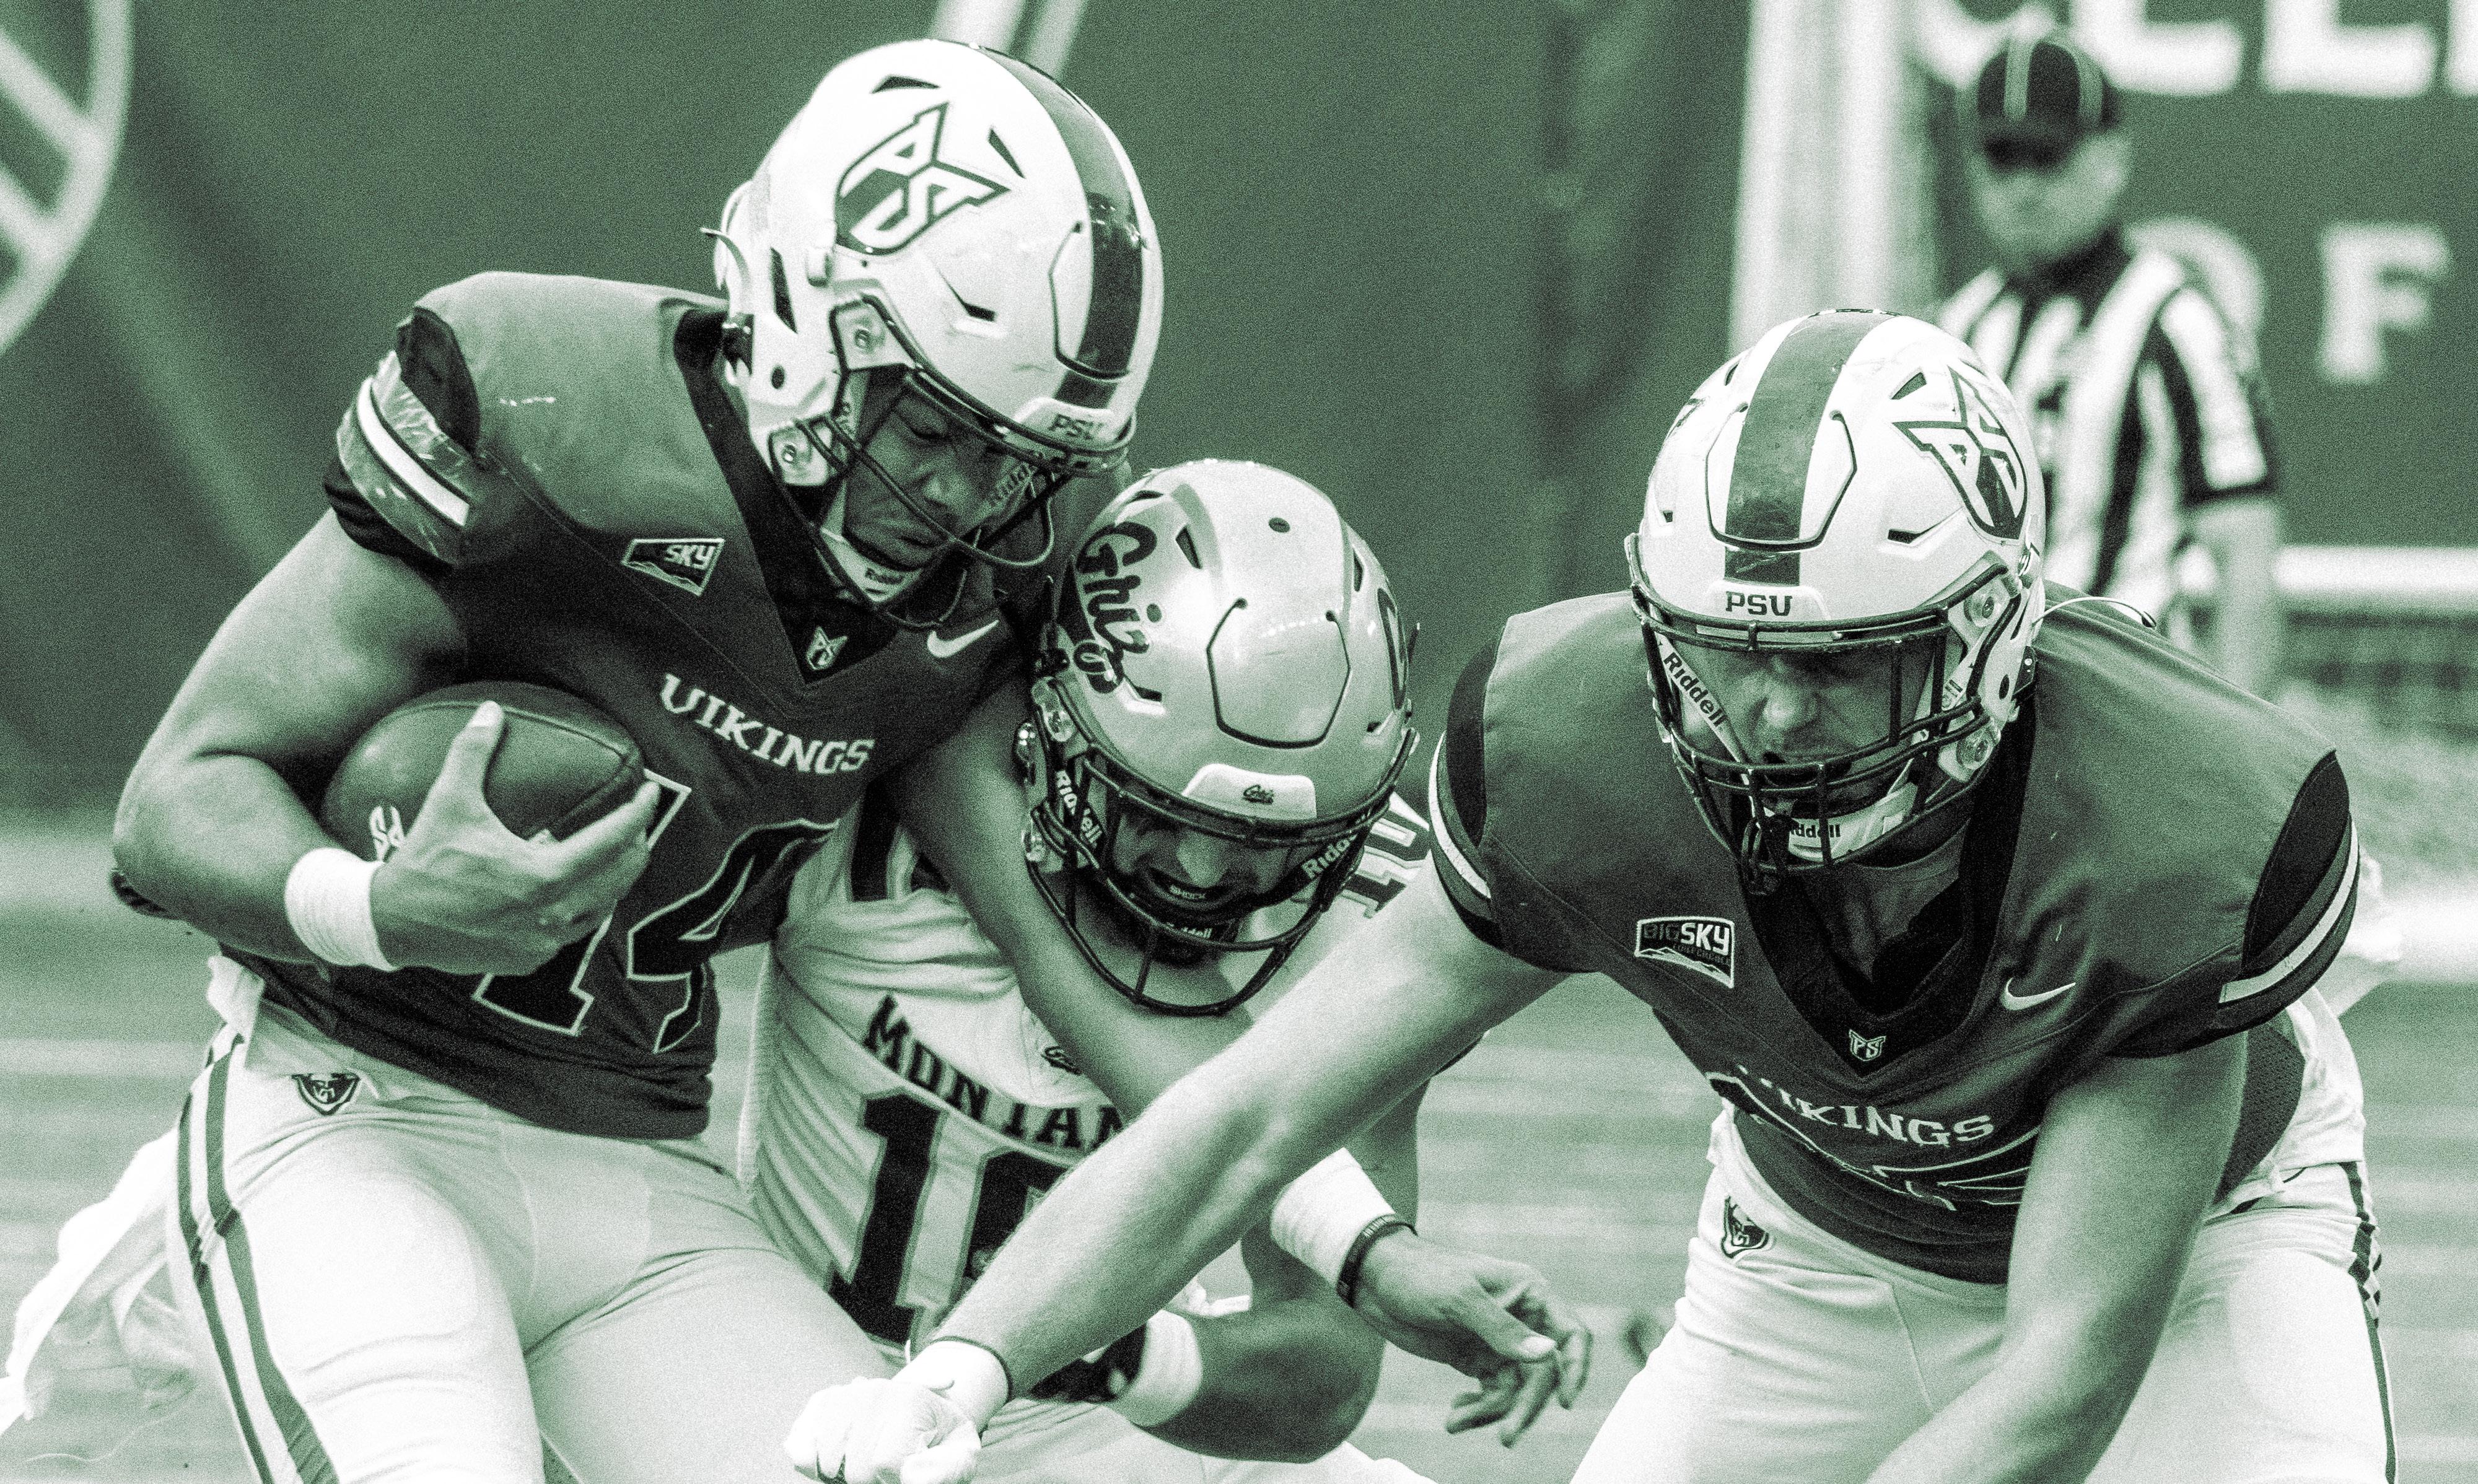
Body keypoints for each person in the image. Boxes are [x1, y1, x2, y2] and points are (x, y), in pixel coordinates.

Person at [790, 313, 2391, 1484]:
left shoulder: (2161, 833)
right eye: (1728, 652)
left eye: (1835, 666)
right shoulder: (1585, 748)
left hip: (2198, 1260)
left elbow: (2062, 1373)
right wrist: (963, 1366)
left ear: (1980, 638)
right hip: (1818, 1243)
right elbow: (1246, 1115)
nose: (1769, 715)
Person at [99, 39, 1162, 1484]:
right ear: (805, 316)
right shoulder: (553, 417)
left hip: (644, 1179)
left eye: (1021, 462)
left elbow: (1067, 960)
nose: (971, 497)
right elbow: (174, 799)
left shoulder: (993, 584)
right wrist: (379, 909)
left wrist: (1350, 1240)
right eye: (932, 429)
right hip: (348, 1117)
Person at [759, 461, 1482, 1482]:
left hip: (1102, 1429)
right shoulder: (886, 804)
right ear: (1053, 727)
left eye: (1261, 839)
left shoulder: (1364, 931)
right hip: (808, 1389)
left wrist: (1095, 1355)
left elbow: (1320, 1375)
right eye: (1156, 810)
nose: (1202, 874)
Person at [1940, 28, 2285, 696]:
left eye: (2048, 157)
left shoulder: (2177, 321)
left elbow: (2245, 555)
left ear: (2112, 160)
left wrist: (2224, 740)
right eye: (2002, 160)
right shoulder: (1959, 327)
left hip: (2122, 703)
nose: (2024, 188)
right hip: (1969, 707)